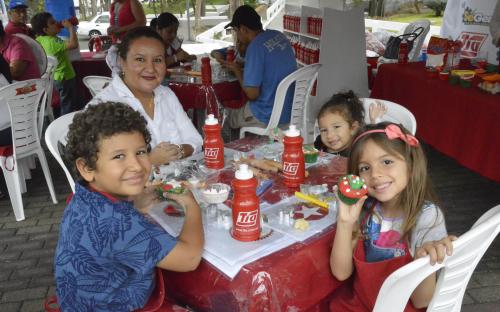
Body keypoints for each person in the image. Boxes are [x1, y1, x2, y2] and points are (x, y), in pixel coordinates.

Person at [55, 102, 204, 310]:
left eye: (141, 152)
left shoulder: (82, 198)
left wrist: (133, 204)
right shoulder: (118, 223)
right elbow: (189, 259)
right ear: (87, 168)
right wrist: (191, 205)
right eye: (119, 156)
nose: (136, 165)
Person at [329, 122, 457, 311]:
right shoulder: (364, 210)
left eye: (387, 162)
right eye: (365, 168)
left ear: (411, 165)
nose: (375, 174)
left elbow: (422, 301)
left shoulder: (426, 216)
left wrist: (424, 260)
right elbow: (341, 273)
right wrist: (345, 222)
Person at [89, 27, 203, 166]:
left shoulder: (166, 95)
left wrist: (178, 151)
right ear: (122, 62)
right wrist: (150, 161)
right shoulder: (104, 105)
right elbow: (101, 168)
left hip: (179, 183)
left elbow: (196, 141)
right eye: (140, 59)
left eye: (158, 60)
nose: (150, 68)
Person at [223, 5, 297, 130]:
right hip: (289, 112)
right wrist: (245, 65)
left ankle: (229, 147)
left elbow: (252, 94)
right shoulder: (279, 36)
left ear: (243, 29)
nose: (236, 35)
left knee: (225, 114)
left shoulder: (255, 47)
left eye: (236, 31)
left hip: (266, 115)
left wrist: (236, 70)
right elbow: (272, 64)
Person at [31, 12, 80, 115]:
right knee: (68, 104)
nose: (57, 23)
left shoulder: (40, 40)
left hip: (56, 77)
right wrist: (71, 28)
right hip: (65, 76)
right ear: (45, 29)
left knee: (64, 101)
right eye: (52, 23)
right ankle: (66, 124)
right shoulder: (52, 42)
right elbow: (74, 44)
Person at [314, 91, 386, 156]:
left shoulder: (358, 148)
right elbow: (306, 149)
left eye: (336, 127)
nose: (329, 135)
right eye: (324, 130)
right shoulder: (321, 144)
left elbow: (378, 148)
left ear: (353, 128)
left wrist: (375, 122)